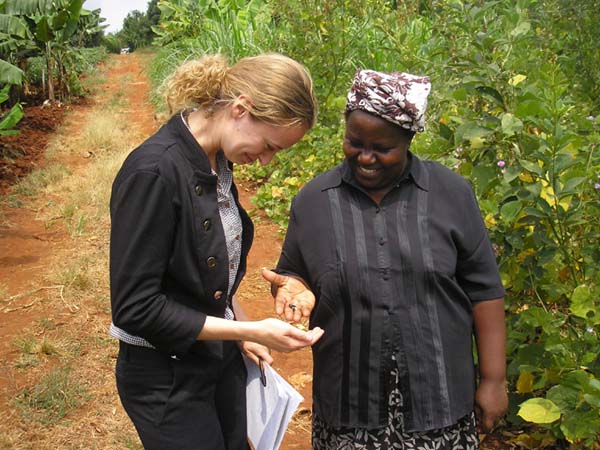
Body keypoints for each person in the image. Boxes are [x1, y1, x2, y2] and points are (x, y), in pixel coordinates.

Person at [263, 69, 507, 449]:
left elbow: (484, 290)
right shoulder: (313, 202)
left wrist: (494, 380)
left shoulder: (450, 194)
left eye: (382, 148)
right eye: (354, 142)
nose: (365, 157)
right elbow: (295, 272)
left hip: (439, 404)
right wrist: (294, 285)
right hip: (348, 409)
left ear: (409, 140)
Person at [109, 53, 324, 450]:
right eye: (269, 145)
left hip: (212, 358)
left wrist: (240, 333)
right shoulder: (153, 174)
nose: (265, 160)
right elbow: (136, 309)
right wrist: (248, 330)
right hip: (165, 376)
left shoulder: (216, 164)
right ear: (240, 109)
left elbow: (208, 275)